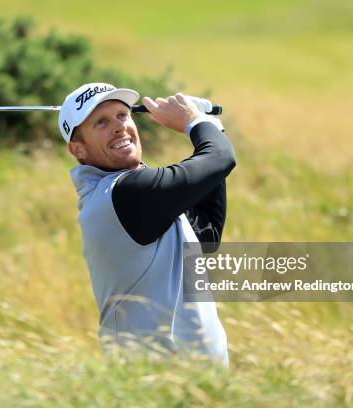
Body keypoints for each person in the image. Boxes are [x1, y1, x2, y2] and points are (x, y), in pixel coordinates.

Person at [58, 83, 237, 366]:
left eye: (122, 115)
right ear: (78, 149)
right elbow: (220, 158)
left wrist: (211, 124)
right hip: (156, 386)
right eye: (101, 123)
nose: (118, 127)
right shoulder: (123, 194)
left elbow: (206, 235)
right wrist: (194, 122)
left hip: (196, 389)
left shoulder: (138, 196)